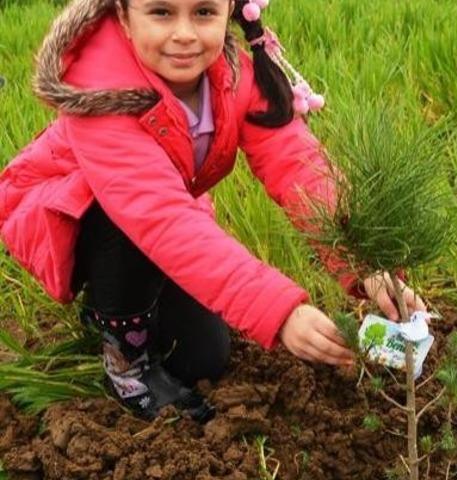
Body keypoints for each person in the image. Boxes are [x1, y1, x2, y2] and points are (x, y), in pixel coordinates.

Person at [0, 0, 426, 422]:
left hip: (164, 217)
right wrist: (280, 312)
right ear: (123, 17)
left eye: (204, 12)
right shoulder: (100, 94)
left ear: (229, 11)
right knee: (122, 221)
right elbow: (160, 218)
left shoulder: (233, 76)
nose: (184, 34)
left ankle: (111, 307)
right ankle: (125, 360)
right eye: (161, 12)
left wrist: (365, 261)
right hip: (70, 216)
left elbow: (297, 166)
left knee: (203, 358)